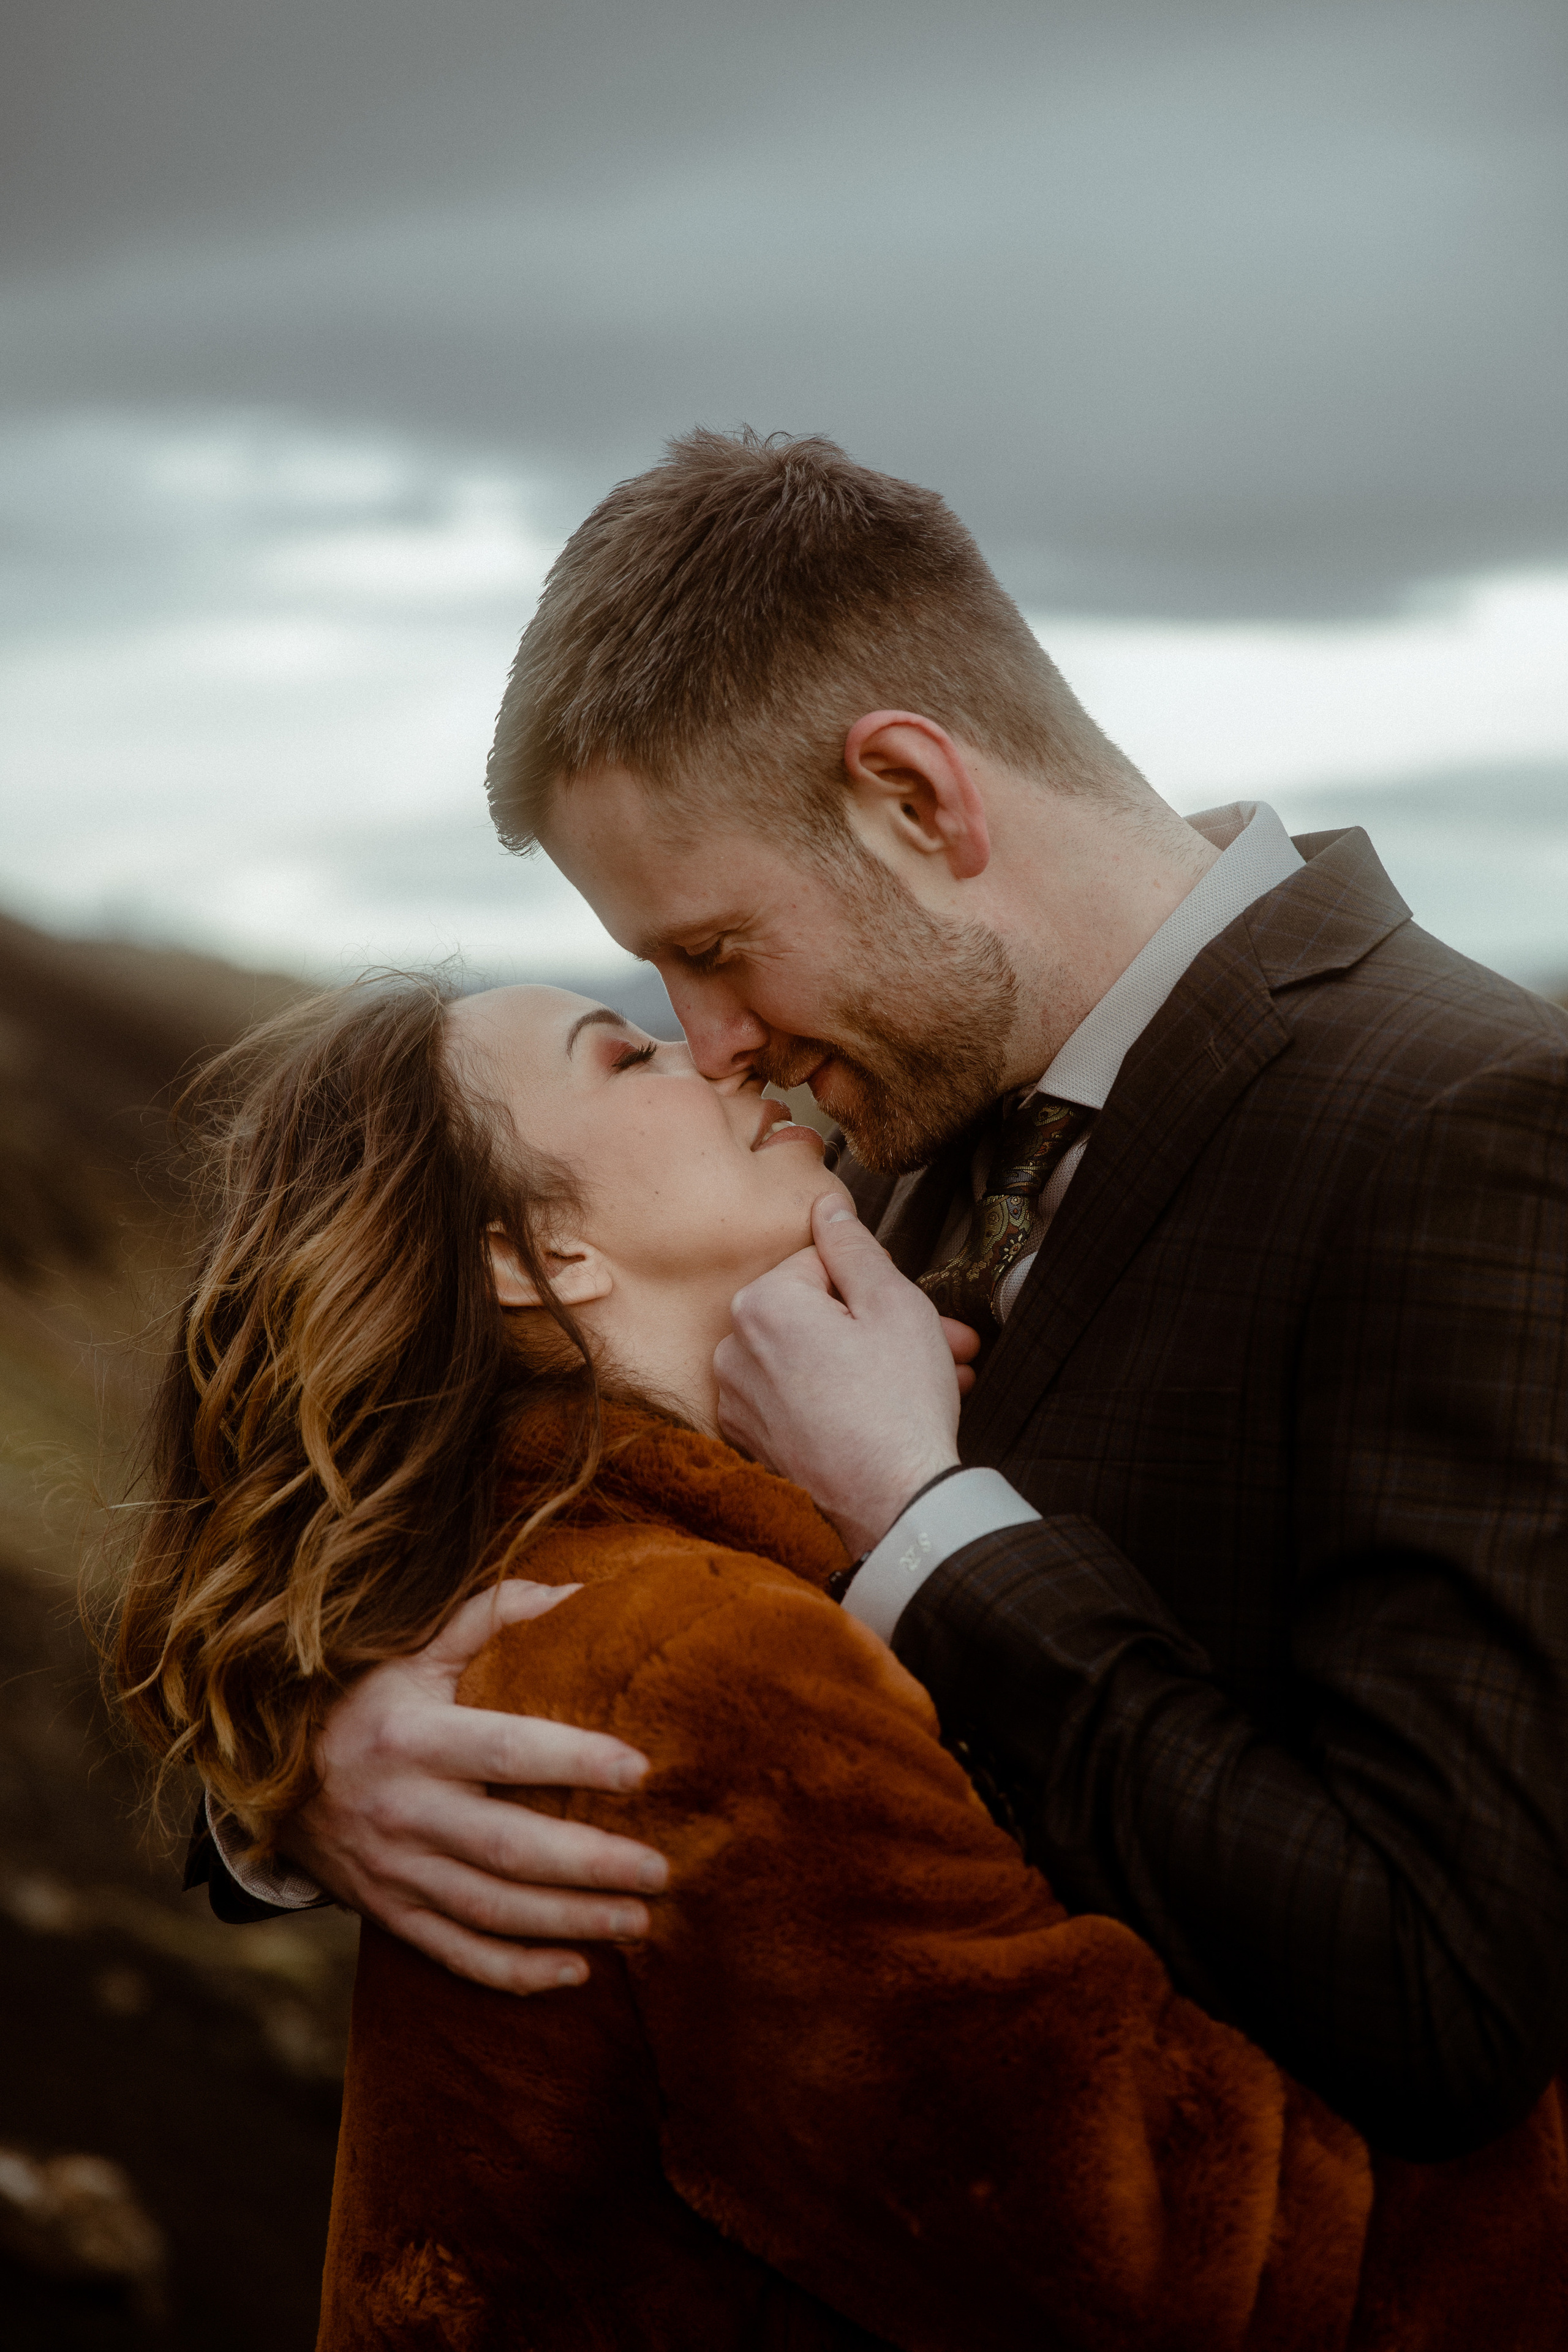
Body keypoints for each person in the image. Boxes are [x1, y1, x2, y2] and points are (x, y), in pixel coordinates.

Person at [195, 430, 1568, 2166]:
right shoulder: (874, 1125)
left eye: (709, 950)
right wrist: (315, 1777)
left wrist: (924, 1520)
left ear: (916, 802)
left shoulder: (1468, 1120)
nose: (714, 1049)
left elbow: (1447, 1987)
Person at [116, 977, 1568, 2350]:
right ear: (531, 1255)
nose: (717, 1052)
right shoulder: (694, 1658)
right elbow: (1204, 2269)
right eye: (626, 1053)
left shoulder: (596, 1580)